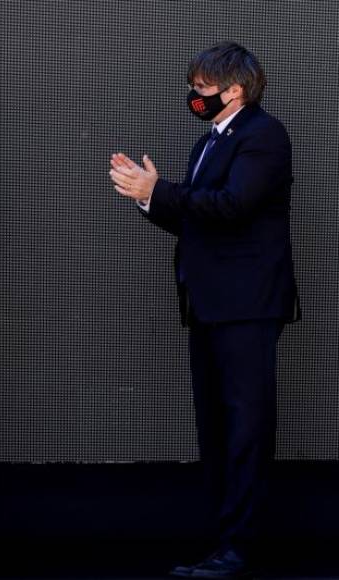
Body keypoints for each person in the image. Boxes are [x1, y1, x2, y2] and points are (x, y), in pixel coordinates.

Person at [109, 41, 298, 578]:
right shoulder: (208, 142)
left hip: (246, 305)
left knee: (246, 426)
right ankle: (223, 543)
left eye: (202, 89)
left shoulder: (262, 136)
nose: (194, 97)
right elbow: (197, 219)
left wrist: (161, 189)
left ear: (234, 90)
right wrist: (148, 197)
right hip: (210, 304)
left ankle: (241, 547)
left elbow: (234, 206)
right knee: (218, 426)